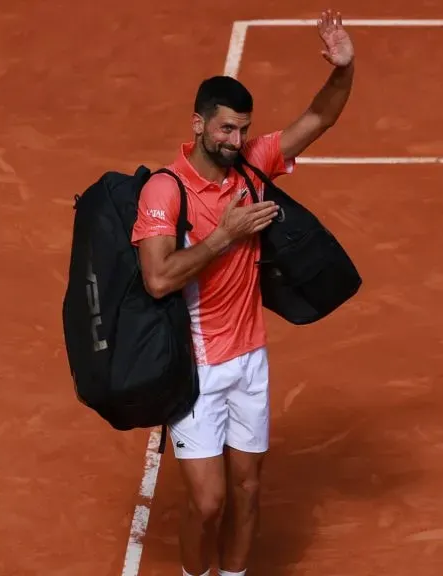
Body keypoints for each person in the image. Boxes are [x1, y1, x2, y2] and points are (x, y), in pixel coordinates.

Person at [130, 10, 355, 576]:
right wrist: (225, 237)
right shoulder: (165, 190)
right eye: (226, 129)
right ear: (199, 125)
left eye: (243, 129)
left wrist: (344, 69)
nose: (236, 140)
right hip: (196, 368)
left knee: (249, 494)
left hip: (249, 360)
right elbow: (159, 277)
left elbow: (318, 118)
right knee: (208, 503)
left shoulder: (252, 167)